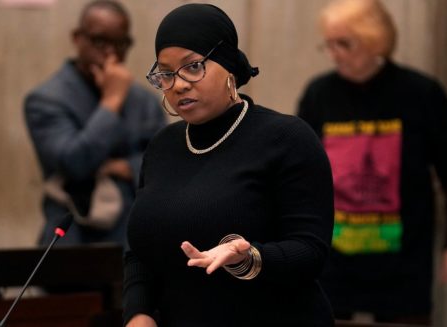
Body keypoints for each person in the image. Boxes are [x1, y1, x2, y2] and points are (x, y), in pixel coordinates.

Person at [122, 4, 334, 327]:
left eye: (192, 67)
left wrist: (251, 258)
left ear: (229, 67)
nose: (178, 84)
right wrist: (138, 314)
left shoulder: (287, 139)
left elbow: (310, 252)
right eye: (166, 73)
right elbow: (141, 248)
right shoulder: (162, 147)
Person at [297, 0, 447, 324]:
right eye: (329, 43)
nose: (334, 52)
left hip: (403, 264)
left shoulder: (422, 94)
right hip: (334, 264)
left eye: (344, 43)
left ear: (373, 40)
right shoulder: (319, 95)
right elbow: (299, 176)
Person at [24, 0, 166, 247]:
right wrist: (111, 101)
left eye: (121, 43)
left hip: (134, 238)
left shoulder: (145, 101)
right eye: (100, 42)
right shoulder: (45, 100)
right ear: (78, 38)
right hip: (73, 241)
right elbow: (74, 163)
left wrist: (126, 167)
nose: (111, 53)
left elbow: (164, 163)